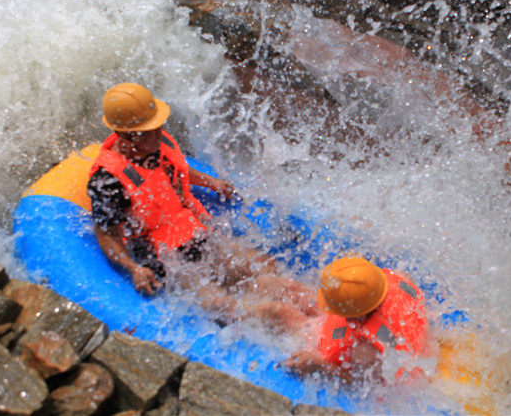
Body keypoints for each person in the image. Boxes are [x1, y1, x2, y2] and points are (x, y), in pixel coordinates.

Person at [87, 82, 316, 328]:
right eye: (148, 130)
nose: (158, 133)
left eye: (157, 125)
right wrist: (133, 268)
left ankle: (329, 317)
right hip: (165, 258)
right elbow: (105, 232)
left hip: (196, 233)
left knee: (270, 271)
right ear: (125, 134)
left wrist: (211, 182)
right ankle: (280, 319)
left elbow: (173, 170)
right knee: (230, 307)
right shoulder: (108, 180)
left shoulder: (153, 144)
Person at [284, 256, 429, 384]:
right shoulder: (400, 278)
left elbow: (363, 384)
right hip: (375, 318)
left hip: (366, 343)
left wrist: (320, 366)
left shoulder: (366, 351)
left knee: (276, 313)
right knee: (288, 289)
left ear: (350, 316)